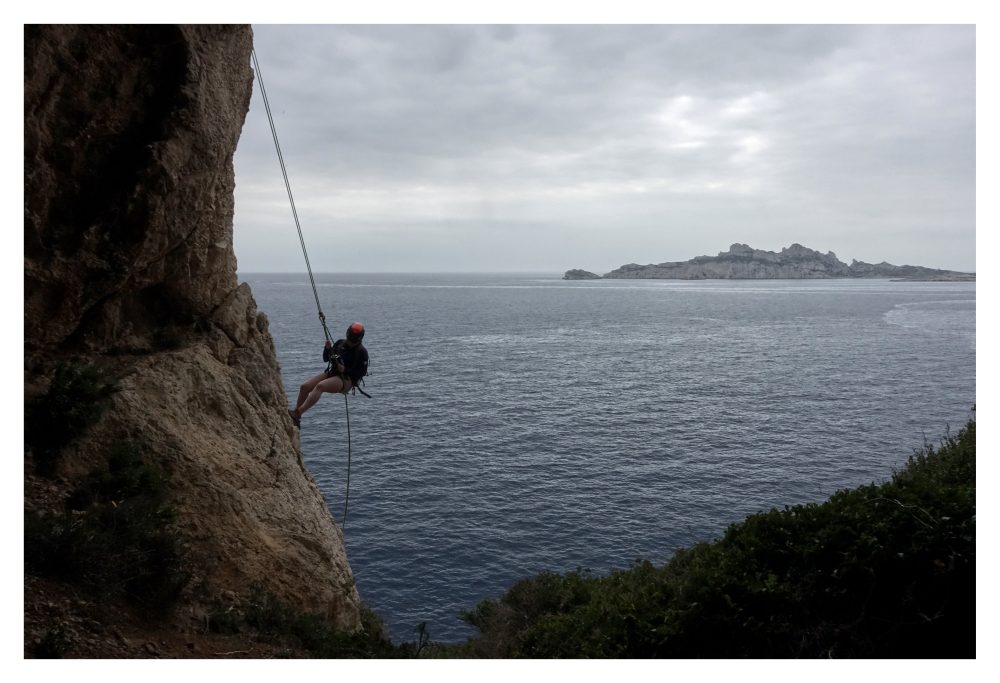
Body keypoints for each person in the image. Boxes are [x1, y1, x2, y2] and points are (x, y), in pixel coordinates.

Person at [288, 322, 369, 428]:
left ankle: (298, 413)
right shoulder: (340, 343)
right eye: (349, 339)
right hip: (333, 373)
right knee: (304, 387)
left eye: (352, 341)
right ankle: (296, 416)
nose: (350, 342)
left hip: (346, 380)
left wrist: (345, 369)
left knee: (320, 386)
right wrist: (327, 349)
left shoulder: (362, 352)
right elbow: (326, 359)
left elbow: (361, 372)